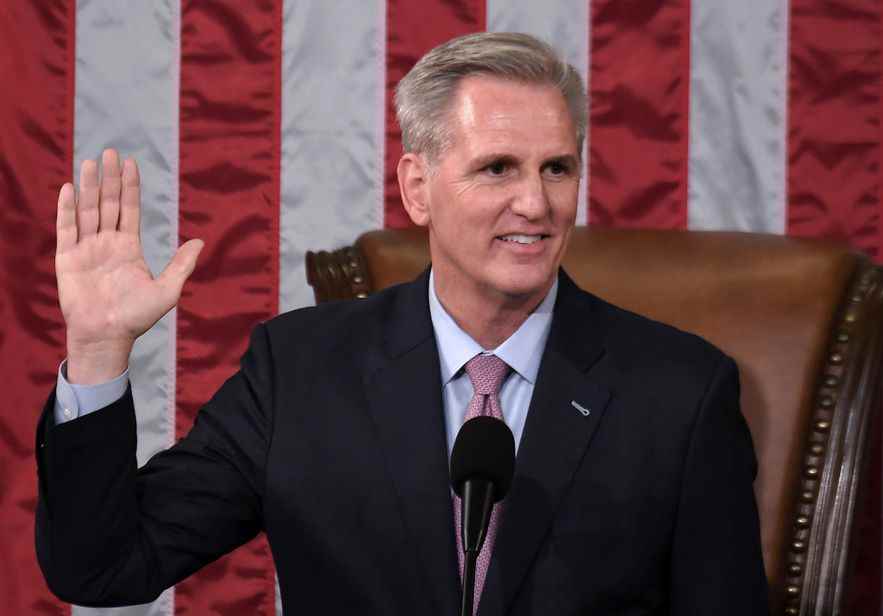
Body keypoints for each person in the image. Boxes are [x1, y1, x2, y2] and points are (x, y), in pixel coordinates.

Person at [37, 32, 769, 615]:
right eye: (497, 169)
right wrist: (99, 353)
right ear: (417, 188)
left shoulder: (678, 392)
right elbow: (105, 568)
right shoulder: (299, 372)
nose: (536, 205)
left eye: (556, 168)